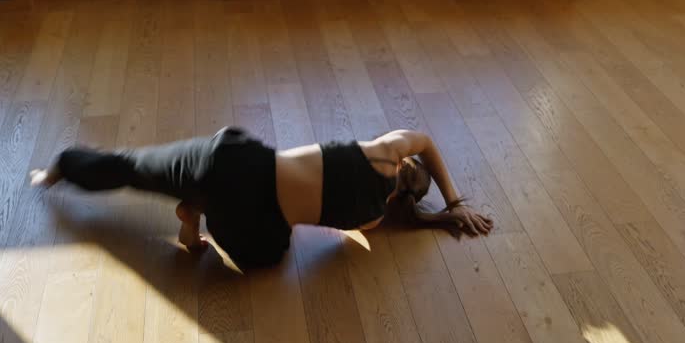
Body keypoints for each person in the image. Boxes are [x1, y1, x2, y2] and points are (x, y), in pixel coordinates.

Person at [29, 126, 494, 270]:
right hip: (249, 215)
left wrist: (454, 202)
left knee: (131, 166)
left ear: (405, 169)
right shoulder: (372, 220)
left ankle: (57, 170)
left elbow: (426, 140)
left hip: (236, 159)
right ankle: (194, 222)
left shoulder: (385, 151)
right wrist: (434, 218)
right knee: (271, 258)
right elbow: (352, 239)